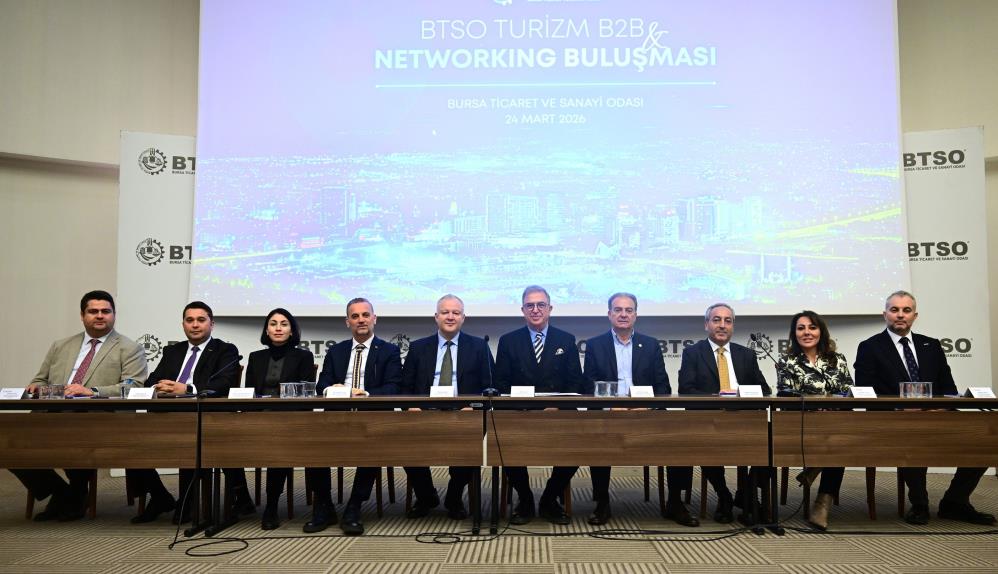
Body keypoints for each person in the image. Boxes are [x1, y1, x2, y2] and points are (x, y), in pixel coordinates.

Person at [854, 290, 995, 526]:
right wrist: (899, 410)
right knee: (913, 436)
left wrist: (939, 409)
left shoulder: (932, 345)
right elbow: (865, 392)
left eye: (906, 310)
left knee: (982, 440)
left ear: (915, 316)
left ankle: (955, 502)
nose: (900, 315)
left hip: (938, 416)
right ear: (885, 314)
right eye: (894, 310)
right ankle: (919, 504)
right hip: (896, 421)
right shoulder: (870, 347)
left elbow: (949, 389)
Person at [13, 290, 148, 522]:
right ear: (82, 315)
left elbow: (132, 386)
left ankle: (74, 495)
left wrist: (92, 391)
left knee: (76, 431)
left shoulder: (129, 348)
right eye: (93, 311)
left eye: (105, 311)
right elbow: (40, 379)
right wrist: (35, 387)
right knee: (10, 441)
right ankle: (62, 492)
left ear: (114, 315)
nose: (100, 316)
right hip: (51, 412)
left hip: (97, 416)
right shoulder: (60, 346)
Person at [583, 292, 697, 527]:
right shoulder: (595, 345)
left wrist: (647, 406)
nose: (623, 314)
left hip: (646, 413)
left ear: (636, 315)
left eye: (629, 310)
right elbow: (589, 386)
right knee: (596, 431)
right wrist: (610, 407)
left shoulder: (651, 345)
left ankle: (675, 502)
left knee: (678, 434)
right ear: (609, 314)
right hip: (610, 414)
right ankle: (602, 502)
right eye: (618, 310)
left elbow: (663, 387)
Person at [129, 301, 247, 525]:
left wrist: (188, 390)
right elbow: (152, 380)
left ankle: (187, 502)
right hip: (167, 413)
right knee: (130, 438)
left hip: (203, 414)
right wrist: (157, 387)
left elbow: (223, 383)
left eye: (201, 320)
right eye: (189, 320)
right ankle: (160, 496)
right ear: (183, 324)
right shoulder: (173, 351)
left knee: (192, 436)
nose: (195, 325)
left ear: (212, 324)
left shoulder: (224, 350)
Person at [306, 297, 404, 536]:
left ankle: (354, 506)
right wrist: (334, 389)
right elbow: (321, 385)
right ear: (347, 322)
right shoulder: (336, 351)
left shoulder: (389, 351)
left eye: (365, 315)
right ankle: (324, 505)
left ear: (374, 319)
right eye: (355, 316)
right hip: (337, 417)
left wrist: (365, 394)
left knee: (372, 445)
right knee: (311, 442)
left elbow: (393, 387)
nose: (361, 320)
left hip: (371, 417)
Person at [495, 285, 588, 525]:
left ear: (550, 308)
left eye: (541, 305)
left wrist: (555, 406)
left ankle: (549, 498)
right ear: (523, 310)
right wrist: (525, 408)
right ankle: (525, 499)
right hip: (519, 414)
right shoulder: (508, 341)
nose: (535, 310)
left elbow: (575, 382)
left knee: (578, 446)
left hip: (558, 413)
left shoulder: (565, 340)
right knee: (504, 443)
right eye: (530, 305)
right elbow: (500, 383)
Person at [401, 294, 495, 520]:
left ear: (463, 318)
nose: (450, 317)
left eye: (455, 312)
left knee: (470, 441)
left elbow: (491, 386)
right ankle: (426, 495)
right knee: (402, 444)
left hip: (464, 413)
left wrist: (474, 407)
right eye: (445, 312)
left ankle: (454, 496)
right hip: (423, 413)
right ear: (436, 317)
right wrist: (411, 407)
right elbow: (405, 386)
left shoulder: (479, 347)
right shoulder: (418, 347)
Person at [677, 302, 772, 524]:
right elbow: (686, 390)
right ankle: (724, 495)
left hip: (744, 419)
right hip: (709, 419)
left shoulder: (746, 354)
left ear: (732, 326)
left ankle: (746, 493)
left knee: (772, 440)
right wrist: (716, 398)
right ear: (706, 324)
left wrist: (741, 394)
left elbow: (765, 389)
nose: (722, 325)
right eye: (716, 320)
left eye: (727, 321)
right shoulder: (693, 353)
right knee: (705, 442)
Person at [774, 310, 853, 530]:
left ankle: (822, 502)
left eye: (812, 327)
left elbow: (848, 391)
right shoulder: (786, 361)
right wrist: (818, 406)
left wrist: (832, 406)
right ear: (794, 334)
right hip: (802, 424)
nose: (807, 332)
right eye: (801, 328)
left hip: (834, 423)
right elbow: (785, 395)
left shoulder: (838, 359)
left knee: (839, 440)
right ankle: (816, 476)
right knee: (836, 442)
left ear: (821, 332)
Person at [244, 308, 316, 530]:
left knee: (280, 441)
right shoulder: (255, 357)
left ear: (292, 330)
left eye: (284, 324)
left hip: (290, 421)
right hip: (259, 420)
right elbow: (248, 393)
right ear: (266, 330)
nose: (278, 328)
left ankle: (271, 505)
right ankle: (240, 499)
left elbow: (306, 396)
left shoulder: (304, 357)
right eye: (273, 324)